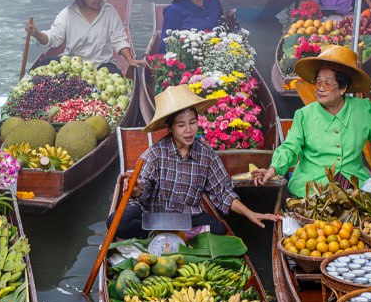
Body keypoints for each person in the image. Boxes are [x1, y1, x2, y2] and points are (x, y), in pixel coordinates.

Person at [112, 85, 279, 239]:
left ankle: (173, 234)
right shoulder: (155, 153)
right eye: (181, 125)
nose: (188, 130)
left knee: (218, 230)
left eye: (192, 123)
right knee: (117, 222)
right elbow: (143, 193)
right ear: (170, 128)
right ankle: (165, 233)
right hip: (155, 216)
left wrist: (250, 213)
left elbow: (223, 193)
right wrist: (136, 190)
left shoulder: (206, 155)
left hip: (186, 217)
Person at [251, 45, 371, 196]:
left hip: (353, 185)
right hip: (312, 186)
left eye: (327, 83)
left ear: (342, 88)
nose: (320, 88)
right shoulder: (304, 115)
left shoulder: (362, 109)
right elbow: (290, 147)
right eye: (318, 82)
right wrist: (273, 169)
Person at [24, 0, 138, 72]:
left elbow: (119, 40)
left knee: (114, 73)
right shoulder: (67, 14)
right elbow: (53, 38)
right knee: (44, 64)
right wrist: (36, 33)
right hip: (72, 64)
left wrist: (130, 60)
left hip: (101, 65)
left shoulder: (109, 12)